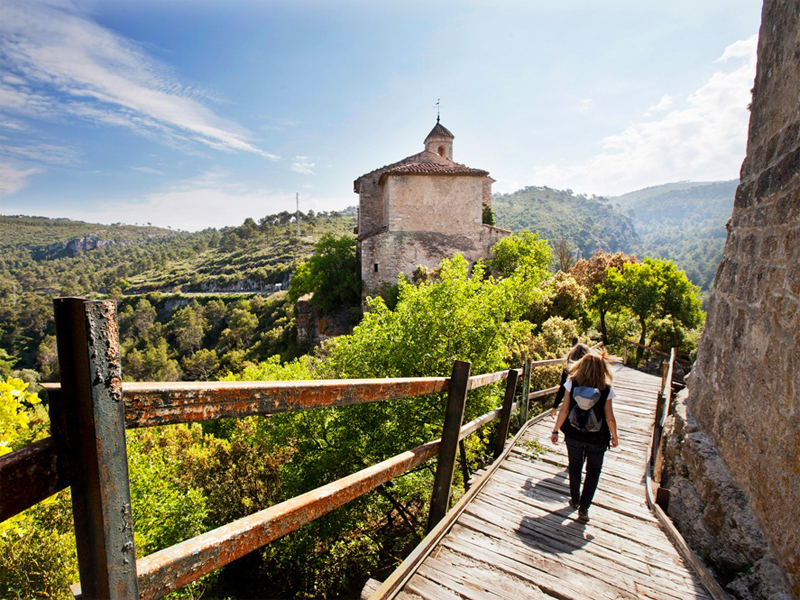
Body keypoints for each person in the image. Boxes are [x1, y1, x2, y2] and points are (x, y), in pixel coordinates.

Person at [550, 350, 619, 523]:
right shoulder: (606, 389)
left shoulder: (571, 384)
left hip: (573, 434)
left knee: (575, 466)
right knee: (593, 471)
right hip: (598, 438)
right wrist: (615, 435)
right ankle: (584, 508)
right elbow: (609, 417)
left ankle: (574, 499)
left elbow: (564, 410)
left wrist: (556, 430)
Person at [550, 343, 591, 417]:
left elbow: (562, 389)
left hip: (572, 406)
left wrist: (555, 406)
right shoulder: (591, 371)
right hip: (590, 404)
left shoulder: (568, 370)